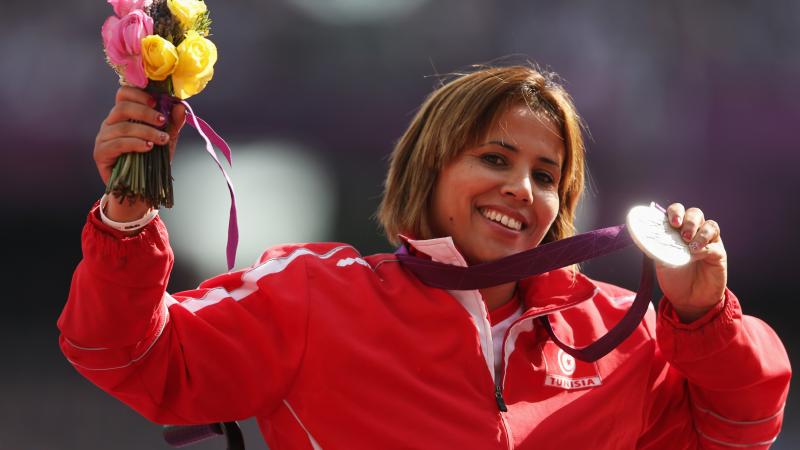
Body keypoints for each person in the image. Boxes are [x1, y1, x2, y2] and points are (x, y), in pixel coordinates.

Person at [59, 64, 790, 449]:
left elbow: (741, 426)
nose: (520, 188)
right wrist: (128, 213)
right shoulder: (316, 296)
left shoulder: (616, 334)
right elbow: (128, 352)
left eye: (545, 175)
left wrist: (702, 314)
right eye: (495, 157)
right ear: (430, 170)